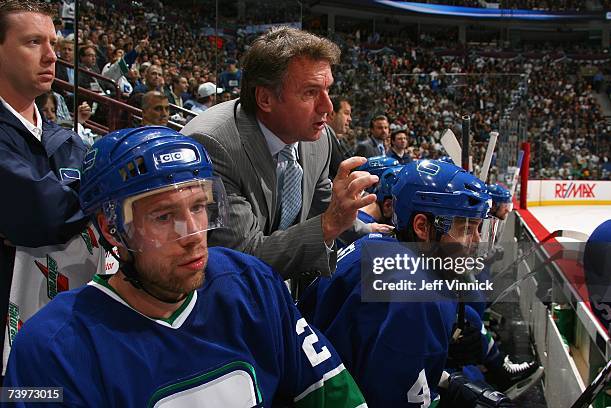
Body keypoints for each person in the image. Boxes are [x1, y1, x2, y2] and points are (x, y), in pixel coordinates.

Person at [4, 127, 367, 407]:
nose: (194, 234)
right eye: (164, 217)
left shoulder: (252, 284)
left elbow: (331, 393)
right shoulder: (49, 348)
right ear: (110, 229)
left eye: (198, 207)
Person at [301, 159, 518, 407]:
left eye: (480, 229)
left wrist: (447, 380)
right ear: (422, 226)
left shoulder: (374, 242)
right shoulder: (419, 294)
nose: (476, 242)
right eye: (467, 229)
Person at [180, 27, 378, 280]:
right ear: (265, 99)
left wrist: (369, 231)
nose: (327, 107)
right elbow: (244, 256)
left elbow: (321, 201)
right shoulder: (213, 146)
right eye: (310, 92)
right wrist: (330, 225)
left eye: (327, 90)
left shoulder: (318, 138)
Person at [0, 0, 101, 374]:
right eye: (32, 42)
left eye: (53, 44)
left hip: (68, 333)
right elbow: (40, 214)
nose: (50, 56)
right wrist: (88, 209)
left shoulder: (67, 141)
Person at [326, 97, 354, 179]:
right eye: (346, 113)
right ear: (332, 114)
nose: (350, 119)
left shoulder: (339, 140)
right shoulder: (322, 139)